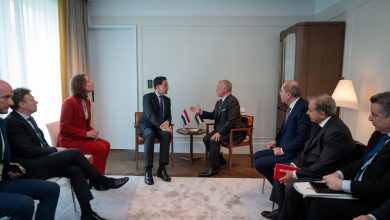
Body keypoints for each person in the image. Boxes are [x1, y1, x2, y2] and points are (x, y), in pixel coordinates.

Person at [5, 87, 130, 220]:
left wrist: (52, 151)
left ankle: (87, 214)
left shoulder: (28, 118)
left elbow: (40, 143)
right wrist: (55, 150)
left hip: (41, 160)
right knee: (74, 153)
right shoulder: (12, 122)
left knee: (75, 170)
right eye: (32, 99)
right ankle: (102, 180)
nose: (36, 101)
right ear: (22, 105)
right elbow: (27, 150)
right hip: (30, 167)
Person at [261, 94, 355, 220]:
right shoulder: (319, 123)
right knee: (282, 170)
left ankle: (287, 216)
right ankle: (282, 211)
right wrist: (294, 165)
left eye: (310, 110)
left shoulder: (336, 132)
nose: (306, 113)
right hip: (312, 166)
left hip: (326, 174)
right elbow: (307, 149)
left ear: (321, 114)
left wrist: (295, 174)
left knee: (291, 185)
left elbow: (324, 165)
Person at [306, 91, 390, 220]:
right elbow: (362, 162)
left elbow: (382, 187)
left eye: (374, 114)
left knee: (318, 206)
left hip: (370, 200)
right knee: (310, 194)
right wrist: (339, 173)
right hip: (354, 187)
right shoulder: (377, 135)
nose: (369, 118)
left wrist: (342, 185)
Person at [0, 80, 59, 220]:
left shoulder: (1, 123)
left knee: (51, 189)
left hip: (3, 181)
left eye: (11, 97)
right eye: (6, 97)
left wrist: (8, 168)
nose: (11, 103)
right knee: (25, 203)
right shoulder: (10, 121)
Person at [254, 80, 311, 184]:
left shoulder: (302, 108)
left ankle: (279, 186)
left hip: (292, 153)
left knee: (259, 163)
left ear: (288, 94)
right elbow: (287, 130)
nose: (280, 93)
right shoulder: (294, 106)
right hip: (283, 147)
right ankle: (278, 185)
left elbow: (302, 137)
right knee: (256, 156)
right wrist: (276, 140)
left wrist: (282, 150)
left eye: (281, 91)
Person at [190, 80, 245, 177]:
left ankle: (214, 168)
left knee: (214, 140)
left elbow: (231, 121)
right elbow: (213, 115)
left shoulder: (233, 101)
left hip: (234, 131)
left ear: (224, 89)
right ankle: (220, 160)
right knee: (206, 138)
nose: (216, 89)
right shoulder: (219, 102)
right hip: (223, 130)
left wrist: (220, 133)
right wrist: (200, 112)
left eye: (218, 87)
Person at [58, 73, 110, 175]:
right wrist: (86, 134)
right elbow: (64, 127)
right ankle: (96, 178)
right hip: (69, 141)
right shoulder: (69, 102)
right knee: (101, 148)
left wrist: (91, 131)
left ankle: (98, 176)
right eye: (88, 81)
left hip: (80, 138)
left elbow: (84, 124)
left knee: (106, 144)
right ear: (80, 85)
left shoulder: (86, 101)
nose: (92, 82)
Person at [138, 76, 172, 185]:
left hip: (160, 126)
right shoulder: (147, 97)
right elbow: (149, 115)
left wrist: (168, 122)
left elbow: (168, 116)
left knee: (167, 135)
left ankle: (161, 169)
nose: (168, 87)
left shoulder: (167, 100)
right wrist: (162, 126)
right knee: (150, 134)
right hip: (147, 126)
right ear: (157, 87)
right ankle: (148, 170)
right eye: (165, 85)